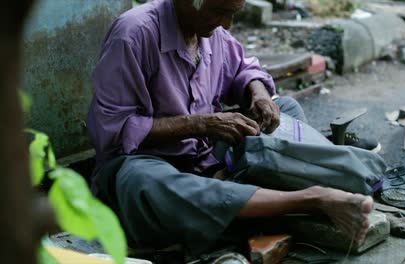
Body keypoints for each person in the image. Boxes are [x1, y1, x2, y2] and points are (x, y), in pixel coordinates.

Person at [87, 0, 373, 256]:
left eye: (233, 14)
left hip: (206, 159)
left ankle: (232, 201)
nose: (227, 24)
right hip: (150, 163)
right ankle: (310, 198)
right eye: (221, 13)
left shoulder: (211, 32)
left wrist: (258, 93)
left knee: (284, 108)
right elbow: (112, 128)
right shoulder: (134, 33)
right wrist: (201, 124)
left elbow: (244, 70)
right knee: (140, 180)